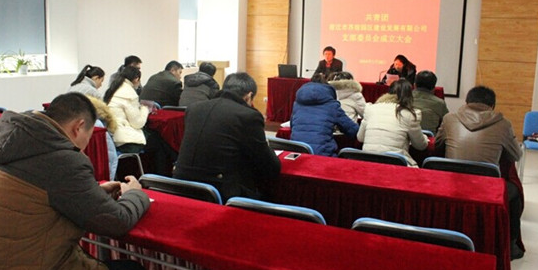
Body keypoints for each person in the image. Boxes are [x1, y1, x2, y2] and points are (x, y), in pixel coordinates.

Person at [0, 92, 151, 270]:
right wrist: (135, 194)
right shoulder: (62, 158)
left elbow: (34, 200)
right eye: (88, 138)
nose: (83, 149)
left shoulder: (1, 145)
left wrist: (95, 194)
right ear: (78, 127)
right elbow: (117, 221)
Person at [435, 85, 524, 259]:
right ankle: (511, 245)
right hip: (485, 188)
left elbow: (438, 145)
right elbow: (516, 155)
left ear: (467, 102)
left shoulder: (449, 118)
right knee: (515, 191)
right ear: (492, 105)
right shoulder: (504, 124)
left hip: (450, 184)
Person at [173, 72, 280, 202]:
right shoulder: (248, 116)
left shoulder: (194, 109)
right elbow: (269, 165)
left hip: (179, 185)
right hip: (219, 192)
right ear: (248, 96)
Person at [357, 79, 429, 167]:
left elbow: (360, 138)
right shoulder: (410, 114)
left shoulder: (370, 109)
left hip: (367, 160)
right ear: (410, 96)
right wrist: (425, 138)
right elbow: (420, 146)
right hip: (395, 163)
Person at [290, 73, 359, 156]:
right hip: (322, 154)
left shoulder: (298, 103)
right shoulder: (332, 105)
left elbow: (292, 126)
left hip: (297, 152)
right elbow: (352, 130)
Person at [104, 66, 150, 153]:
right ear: (136, 79)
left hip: (113, 136)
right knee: (157, 140)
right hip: (126, 141)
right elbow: (137, 123)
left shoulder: (114, 89)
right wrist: (145, 110)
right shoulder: (129, 94)